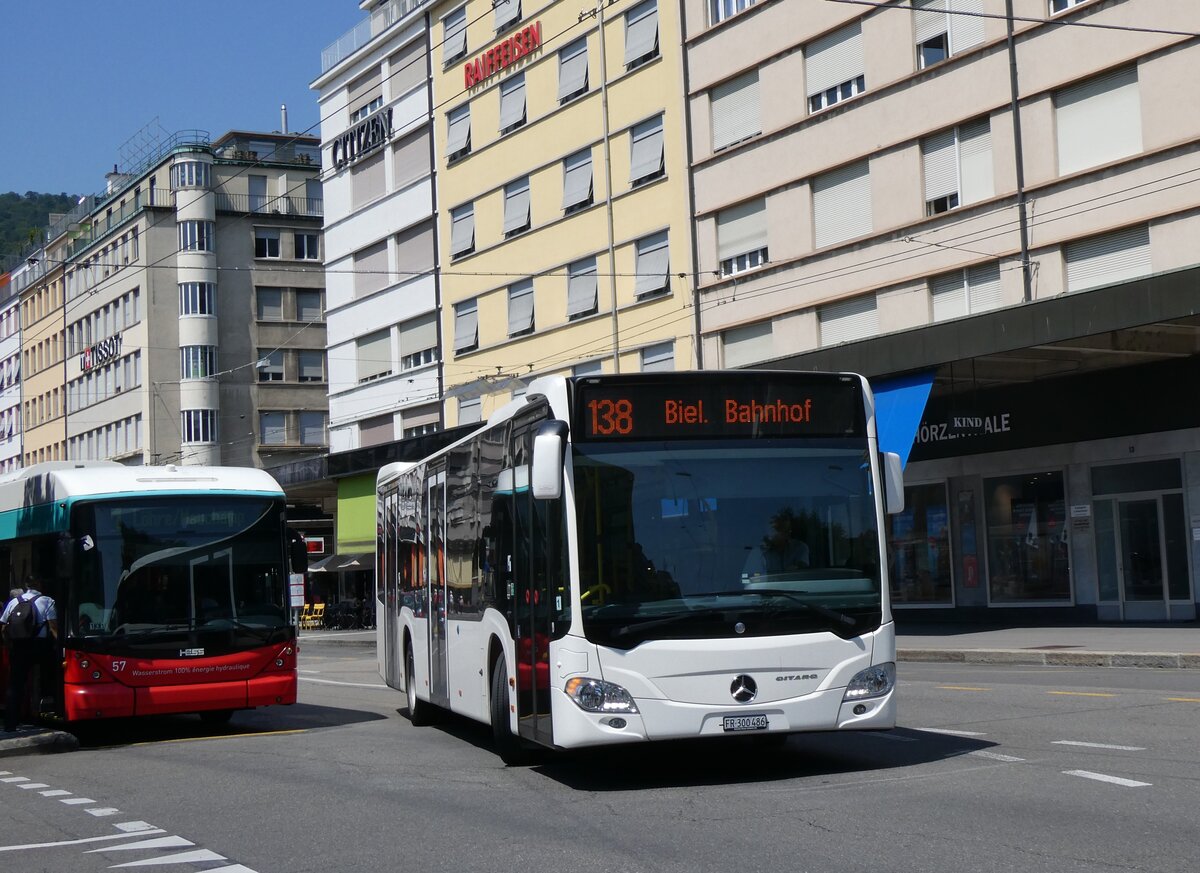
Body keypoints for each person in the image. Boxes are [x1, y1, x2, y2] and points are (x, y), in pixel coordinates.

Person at [1, 584, 58, 734]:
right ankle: (55, 709)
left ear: (26, 586)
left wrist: (9, 644)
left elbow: (3, 626)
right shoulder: (47, 600)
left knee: (15, 685)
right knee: (53, 675)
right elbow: (53, 627)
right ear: (40, 586)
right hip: (39, 646)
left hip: (18, 646)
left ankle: (10, 724)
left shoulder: (14, 601)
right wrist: (60, 646)